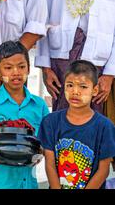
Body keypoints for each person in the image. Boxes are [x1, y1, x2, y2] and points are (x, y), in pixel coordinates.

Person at [0, 41, 49, 189]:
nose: (16, 72)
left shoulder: (39, 105)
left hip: (27, 182)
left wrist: (42, 150)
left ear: (29, 68)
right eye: (8, 68)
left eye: (21, 66)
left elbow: (46, 140)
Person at [38, 60, 115, 189]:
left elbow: (103, 170)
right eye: (70, 85)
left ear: (95, 90)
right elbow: (50, 164)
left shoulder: (105, 126)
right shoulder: (50, 122)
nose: (75, 91)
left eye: (83, 87)